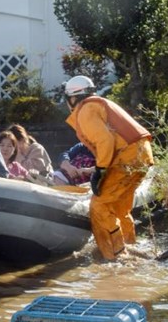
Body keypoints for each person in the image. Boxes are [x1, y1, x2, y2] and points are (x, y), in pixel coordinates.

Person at [63, 75, 154, 261]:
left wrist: (101, 170)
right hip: (142, 155)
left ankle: (116, 255)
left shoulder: (85, 110)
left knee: (99, 206)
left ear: (72, 98)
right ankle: (130, 246)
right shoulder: (100, 103)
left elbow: (105, 140)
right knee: (120, 207)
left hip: (126, 158)